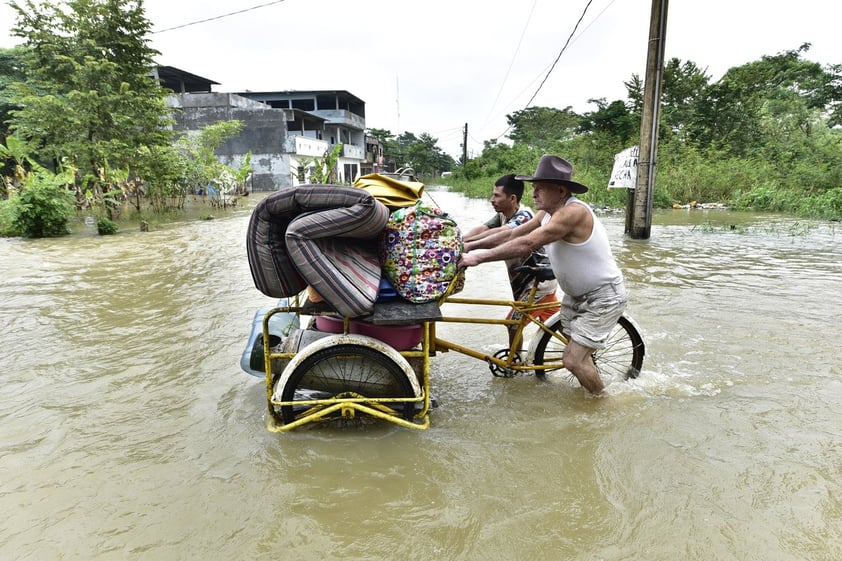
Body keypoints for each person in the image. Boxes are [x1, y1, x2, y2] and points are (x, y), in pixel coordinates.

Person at [458, 155, 628, 395]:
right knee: (570, 347)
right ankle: (588, 387)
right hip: (576, 296)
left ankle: (604, 405)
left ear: (560, 191)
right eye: (533, 188)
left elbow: (526, 243)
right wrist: (467, 246)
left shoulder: (573, 213)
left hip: (602, 296)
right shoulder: (545, 214)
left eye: (539, 189)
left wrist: (477, 258)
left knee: (572, 360)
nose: (534, 194)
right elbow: (511, 235)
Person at [463, 174, 559, 350]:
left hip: (538, 283)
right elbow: (483, 229)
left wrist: (469, 246)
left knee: (512, 323)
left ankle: (514, 365)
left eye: (497, 196)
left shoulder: (524, 217)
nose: (492, 200)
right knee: (560, 326)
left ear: (512, 198)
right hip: (530, 281)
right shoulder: (502, 216)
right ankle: (584, 355)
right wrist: (461, 240)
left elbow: (501, 235)